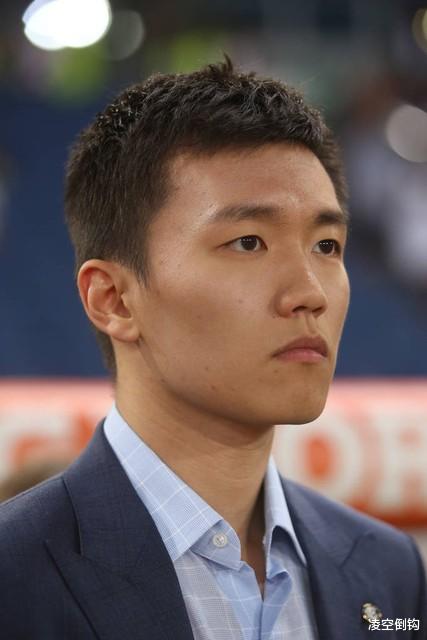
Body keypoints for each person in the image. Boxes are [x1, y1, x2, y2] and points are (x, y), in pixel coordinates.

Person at [0, 58, 425, 640]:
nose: (310, 293)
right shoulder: (14, 578)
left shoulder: (390, 571)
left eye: (327, 245)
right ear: (113, 299)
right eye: (248, 242)